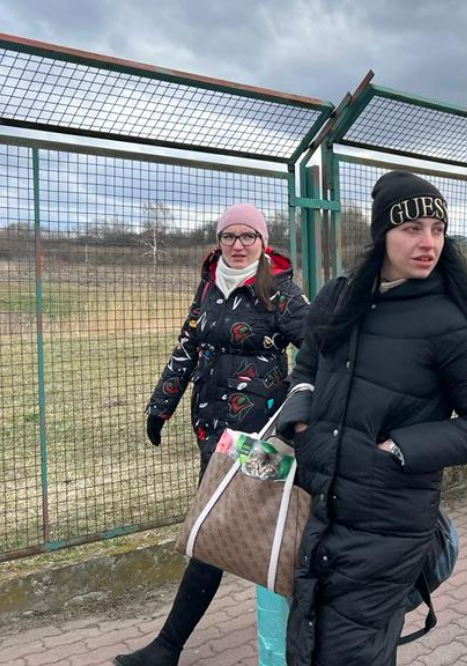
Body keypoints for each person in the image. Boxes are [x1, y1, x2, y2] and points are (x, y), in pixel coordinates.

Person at [276, 170, 467, 665]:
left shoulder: (454, 320)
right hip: (323, 505)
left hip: (392, 520)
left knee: (346, 651)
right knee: (309, 637)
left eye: (438, 229)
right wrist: (301, 424)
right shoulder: (340, 298)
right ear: (382, 233)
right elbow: (307, 366)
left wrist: (399, 449)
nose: (429, 243)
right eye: (412, 229)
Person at [116, 203, 309, 666]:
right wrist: (160, 405)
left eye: (248, 237)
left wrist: (300, 405)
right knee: (229, 528)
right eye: (229, 236)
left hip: (260, 435)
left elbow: (320, 347)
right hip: (213, 430)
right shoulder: (209, 288)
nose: (238, 245)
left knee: (229, 529)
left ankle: (169, 646)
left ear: (263, 243)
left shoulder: (280, 291)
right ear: (218, 241)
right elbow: (187, 347)